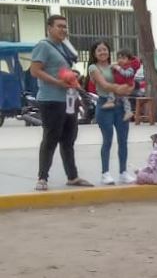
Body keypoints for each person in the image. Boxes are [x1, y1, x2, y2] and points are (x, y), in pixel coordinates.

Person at [30, 14, 93, 191]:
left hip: (69, 99)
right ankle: (42, 178)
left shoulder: (64, 46)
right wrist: (57, 83)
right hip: (51, 99)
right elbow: (35, 71)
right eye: (59, 26)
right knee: (50, 139)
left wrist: (73, 77)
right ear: (49, 28)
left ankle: (72, 176)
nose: (63, 29)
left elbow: (61, 70)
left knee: (68, 139)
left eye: (65, 26)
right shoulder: (43, 46)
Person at [87, 40, 135, 185]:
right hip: (105, 105)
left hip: (121, 106)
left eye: (105, 49)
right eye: (99, 50)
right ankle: (105, 173)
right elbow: (104, 85)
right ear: (94, 53)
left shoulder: (115, 66)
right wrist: (119, 88)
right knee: (107, 140)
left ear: (109, 51)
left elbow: (129, 79)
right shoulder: (93, 68)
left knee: (123, 140)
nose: (103, 52)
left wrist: (129, 88)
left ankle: (123, 172)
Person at [105, 48, 141, 122]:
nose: (120, 60)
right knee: (124, 99)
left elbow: (127, 74)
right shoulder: (120, 66)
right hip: (120, 85)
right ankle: (128, 112)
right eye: (119, 58)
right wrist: (111, 67)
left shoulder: (130, 67)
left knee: (121, 97)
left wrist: (118, 69)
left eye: (123, 58)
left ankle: (111, 102)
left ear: (129, 60)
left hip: (127, 85)